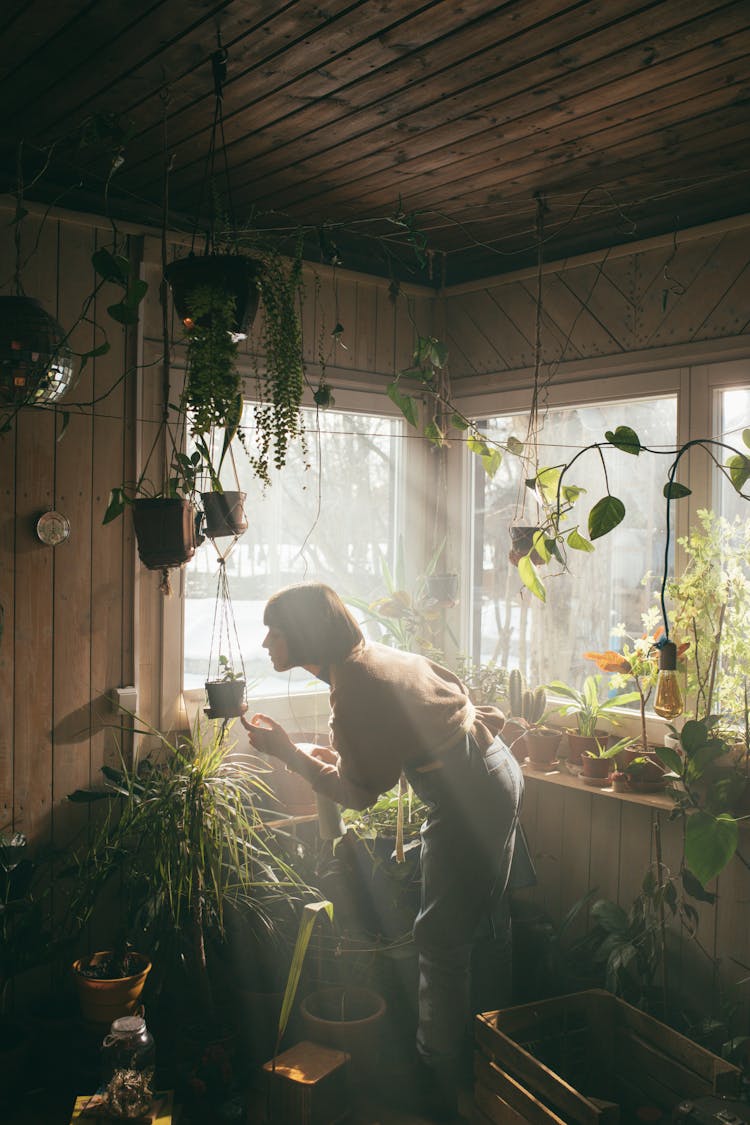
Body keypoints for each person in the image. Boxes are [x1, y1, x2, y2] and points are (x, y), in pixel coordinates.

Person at [242, 582, 527, 1120]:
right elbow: (392, 750)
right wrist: (330, 755)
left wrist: (285, 753)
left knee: (440, 942)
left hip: (471, 797)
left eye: (274, 632)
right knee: (483, 924)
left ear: (303, 634)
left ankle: (438, 1088)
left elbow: (357, 794)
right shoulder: (367, 660)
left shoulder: (355, 685)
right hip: (492, 770)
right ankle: (486, 1067)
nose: (265, 643)